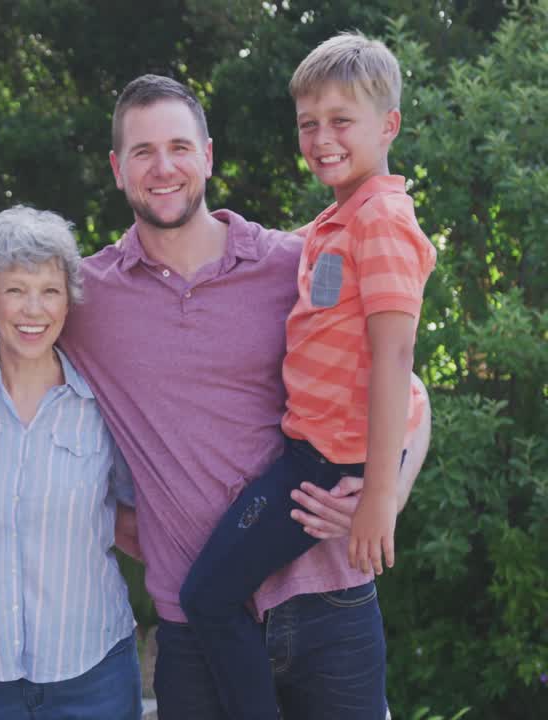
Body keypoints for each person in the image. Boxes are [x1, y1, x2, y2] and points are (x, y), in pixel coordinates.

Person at [60, 74, 430, 720]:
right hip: (194, 631)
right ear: (119, 170)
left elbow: (411, 386)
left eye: (179, 146)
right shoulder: (85, 298)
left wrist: (385, 495)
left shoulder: (296, 264)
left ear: (207, 155)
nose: (164, 166)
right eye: (143, 152)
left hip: (329, 603)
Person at [176, 35, 436, 719]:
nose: (321, 138)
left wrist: (382, 495)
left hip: (323, 466)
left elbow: (396, 357)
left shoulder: (380, 220)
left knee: (206, 595)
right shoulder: (336, 222)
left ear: (390, 126)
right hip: (310, 454)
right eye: (308, 123)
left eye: (341, 120)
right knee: (215, 592)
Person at [0, 206, 142, 720]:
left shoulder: (102, 400)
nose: (34, 309)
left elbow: (142, 509)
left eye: (49, 290)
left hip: (93, 669)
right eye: (16, 290)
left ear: (68, 301)